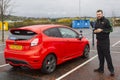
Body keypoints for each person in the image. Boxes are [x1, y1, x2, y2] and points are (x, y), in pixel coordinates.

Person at [94, 10, 114, 76]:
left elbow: (111, 29)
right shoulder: (96, 21)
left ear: (102, 14)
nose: (98, 15)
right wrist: (95, 31)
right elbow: (94, 30)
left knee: (107, 56)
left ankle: (111, 70)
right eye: (97, 14)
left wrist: (102, 30)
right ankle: (101, 69)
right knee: (100, 56)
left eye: (99, 14)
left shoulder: (106, 21)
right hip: (98, 41)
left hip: (105, 41)